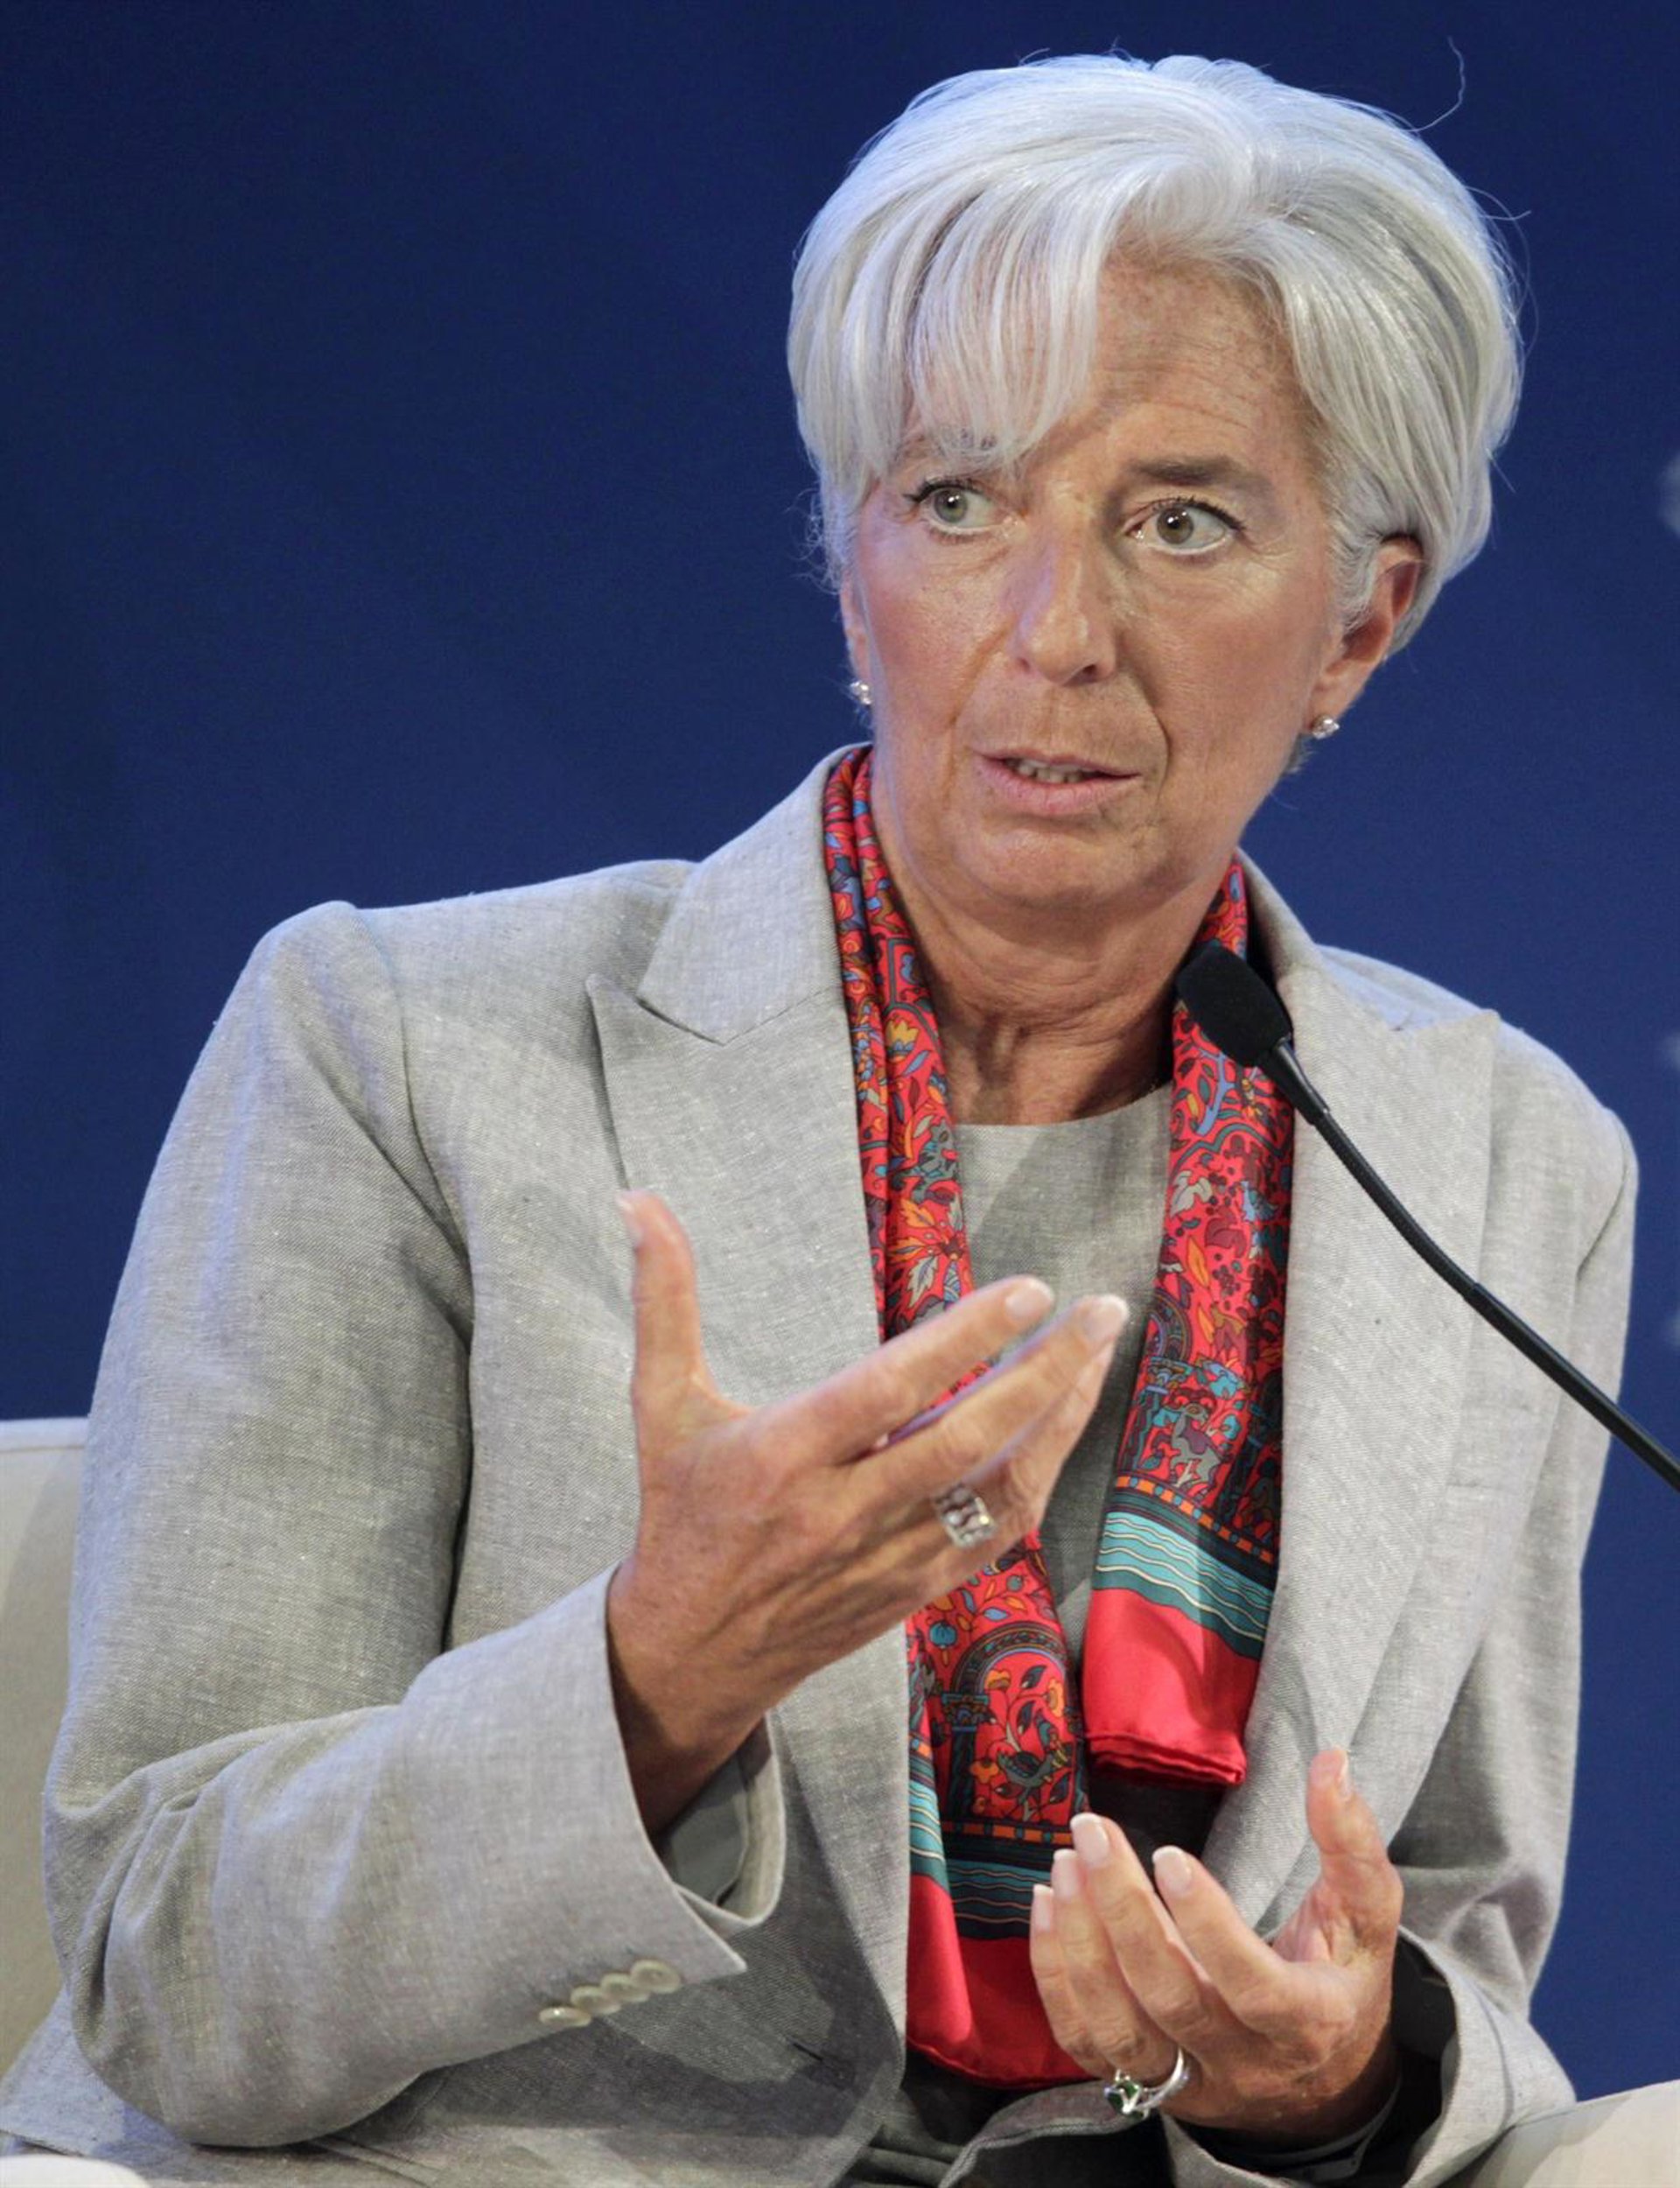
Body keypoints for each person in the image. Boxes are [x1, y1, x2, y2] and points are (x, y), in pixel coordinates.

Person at [1, 51, 1641, 2188]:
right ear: (855, 568)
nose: (1055, 633)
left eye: (1182, 521)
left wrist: (1346, 2067)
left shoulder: (1499, 1160)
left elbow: (1452, 1937)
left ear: (1363, 617)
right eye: (959, 502)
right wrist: (653, 1676)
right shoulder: (405, 1044)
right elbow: (170, 1955)